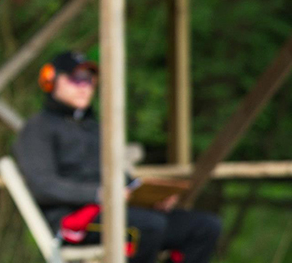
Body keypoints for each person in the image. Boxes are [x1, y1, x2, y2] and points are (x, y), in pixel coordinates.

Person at [14, 51, 221, 263]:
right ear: (50, 80)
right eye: (76, 79)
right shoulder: (36, 129)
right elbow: (44, 185)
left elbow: (118, 176)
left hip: (119, 211)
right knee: (149, 226)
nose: (85, 86)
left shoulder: (94, 128)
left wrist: (149, 196)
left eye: (90, 81)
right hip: (75, 220)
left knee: (206, 227)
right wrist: (98, 194)